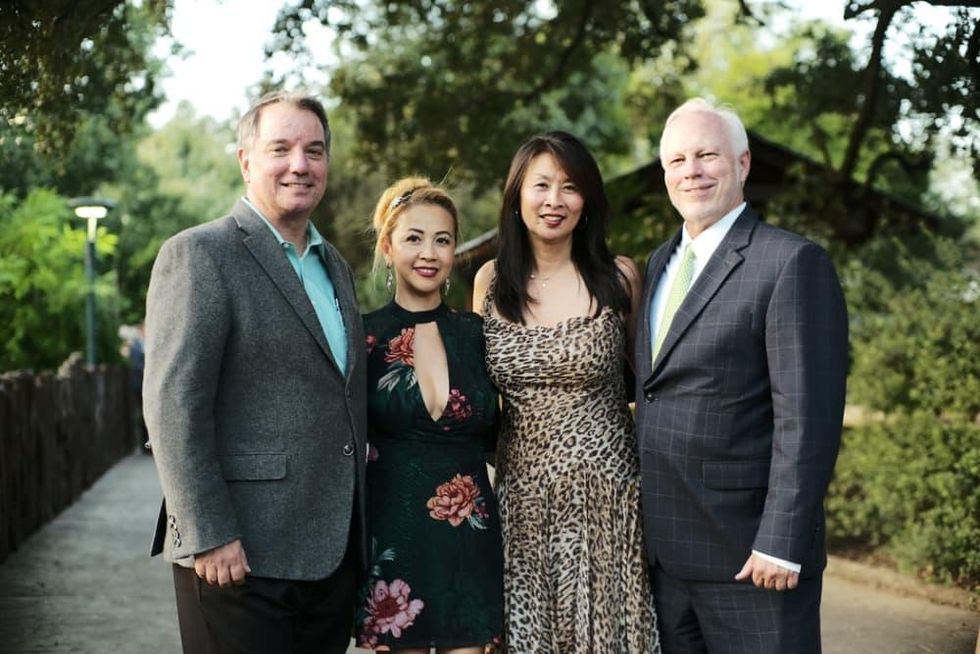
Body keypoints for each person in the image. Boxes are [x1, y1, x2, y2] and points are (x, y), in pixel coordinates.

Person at [143, 90, 367, 654]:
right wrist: (210, 534)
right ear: (246, 161)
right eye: (281, 149)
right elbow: (173, 407)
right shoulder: (200, 254)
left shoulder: (334, 265)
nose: (300, 164)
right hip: (236, 557)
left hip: (328, 560)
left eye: (314, 151)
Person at [634, 97, 848, 653]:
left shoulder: (789, 263)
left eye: (708, 155)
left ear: (743, 163)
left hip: (752, 556)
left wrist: (782, 540)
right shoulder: (658, 263)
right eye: (677, 160)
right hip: (666, 554)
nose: (692, 171)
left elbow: (808, 416)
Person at [473, 131, 659, 653]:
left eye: (570, 187)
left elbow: (653, 392)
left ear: (588, 201)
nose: (554, 201)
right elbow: (475, 399)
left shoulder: (620, 278)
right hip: (522, 503)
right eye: (542, 186)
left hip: (609, 499)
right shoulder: (489, 281)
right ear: (517, 197)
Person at [355, 177, 503, 653]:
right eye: (413, 238)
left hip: (469, 541)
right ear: (387, 246)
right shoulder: (364, 338)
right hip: (394, 537)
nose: (429, 253)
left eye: (442, 240)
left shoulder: (478, 334)